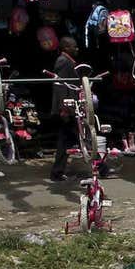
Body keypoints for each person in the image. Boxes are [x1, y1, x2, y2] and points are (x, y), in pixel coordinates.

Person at [50, 36, 80, 182]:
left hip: (69, 108)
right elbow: (60, 86)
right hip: (66, 109)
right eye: (74, 46)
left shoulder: (67, 61)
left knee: (68, 140)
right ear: (66, 48)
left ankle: (57, 172)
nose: (77, 49)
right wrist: (64, 109)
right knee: (81, 138)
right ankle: (101, 167)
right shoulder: (63, 62)